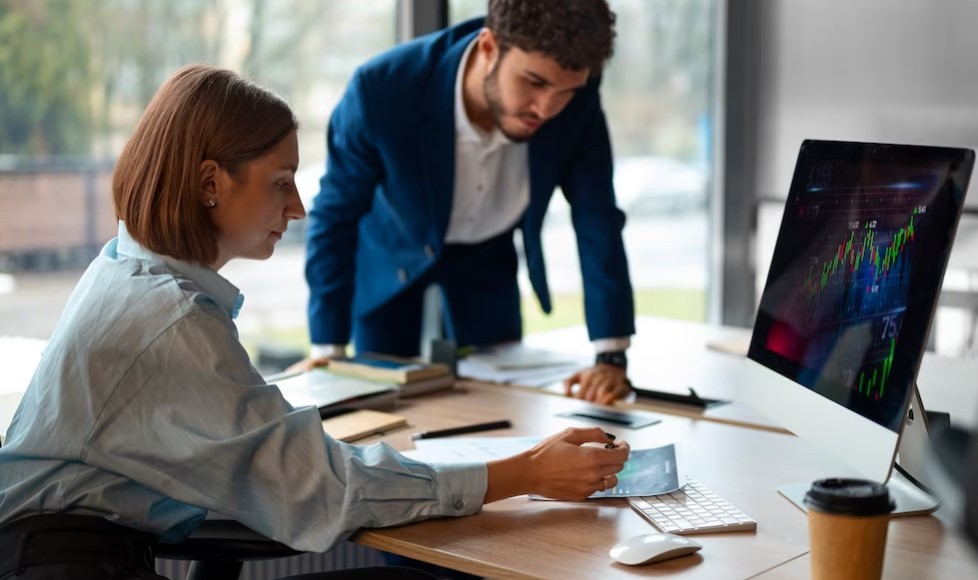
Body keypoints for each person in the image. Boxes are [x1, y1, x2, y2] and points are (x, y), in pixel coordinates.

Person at [0, 64, 630, 580]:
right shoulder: (169, 319)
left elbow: (282, 473)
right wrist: (526, 472)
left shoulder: (127, 268)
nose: (298, 208)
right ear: (210, 182)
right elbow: (323, 488)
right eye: (281, 182)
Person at [301, 0, 636, 404]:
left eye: (566, 91)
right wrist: (327, 350)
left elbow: (597, 217)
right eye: (534, 82)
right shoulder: (383, 89)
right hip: (392, 256)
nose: (547, 109)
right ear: (489, 47)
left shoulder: (577, 99)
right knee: (376, 403)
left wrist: (611, 353)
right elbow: (334, 219)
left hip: (488, 259)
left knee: (500, 408)